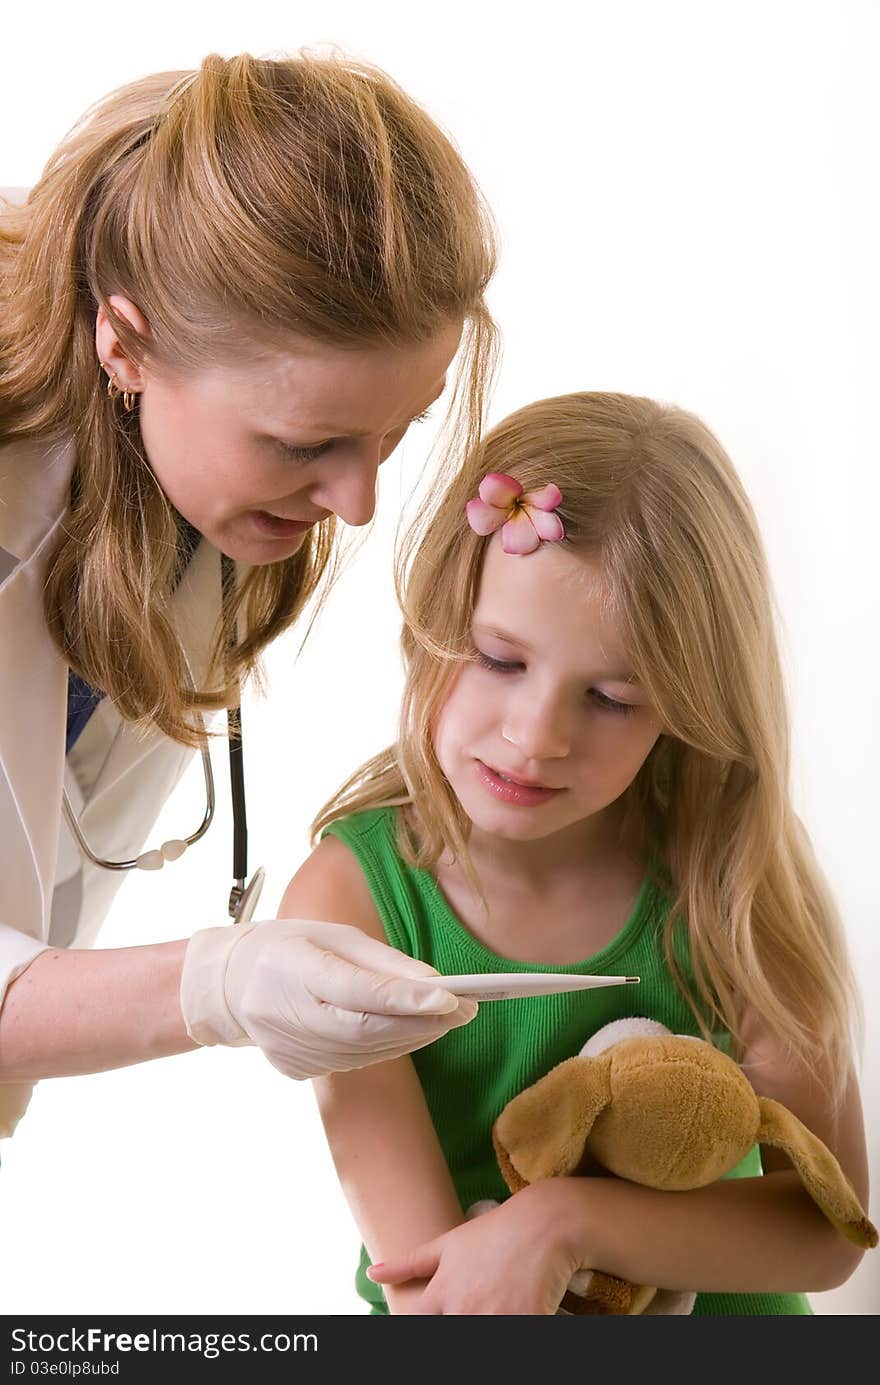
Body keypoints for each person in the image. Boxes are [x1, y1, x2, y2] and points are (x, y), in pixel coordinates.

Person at [279, 391, 870, 1315]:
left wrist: (566, 1223)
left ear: (685, 709)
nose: (535, 734)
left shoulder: (730, 878)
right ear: (434, 621)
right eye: (500, 660)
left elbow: (829, 1229)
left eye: (611, 698)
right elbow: (434, 1298)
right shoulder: (348, 902)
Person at [0, 50, 495, 1142]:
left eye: (394, 433)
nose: (357, 502)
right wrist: (212, 983)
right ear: (122, 345)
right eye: (305, 443)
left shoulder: (175, 485)